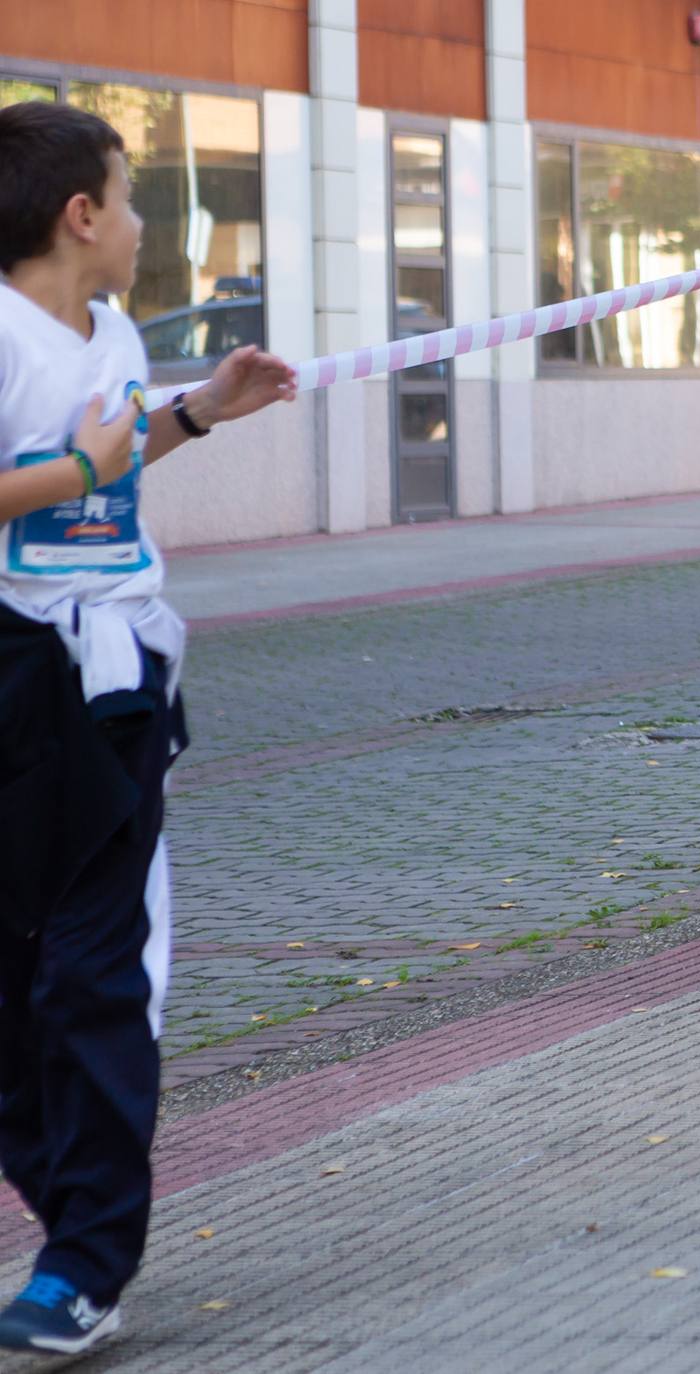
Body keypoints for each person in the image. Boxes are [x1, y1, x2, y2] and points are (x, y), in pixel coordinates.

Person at [0, 100, 299, 1356]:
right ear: (81, 216)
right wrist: (82, 469)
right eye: (129, 202)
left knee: (98, 968)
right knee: (19, 981)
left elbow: (112, 458)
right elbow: (74, 468)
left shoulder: (113, 327)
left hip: (117, 678)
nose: (139, 228)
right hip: (14, 666)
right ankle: (72, 1222)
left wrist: (196, 414)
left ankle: (85, 1258)